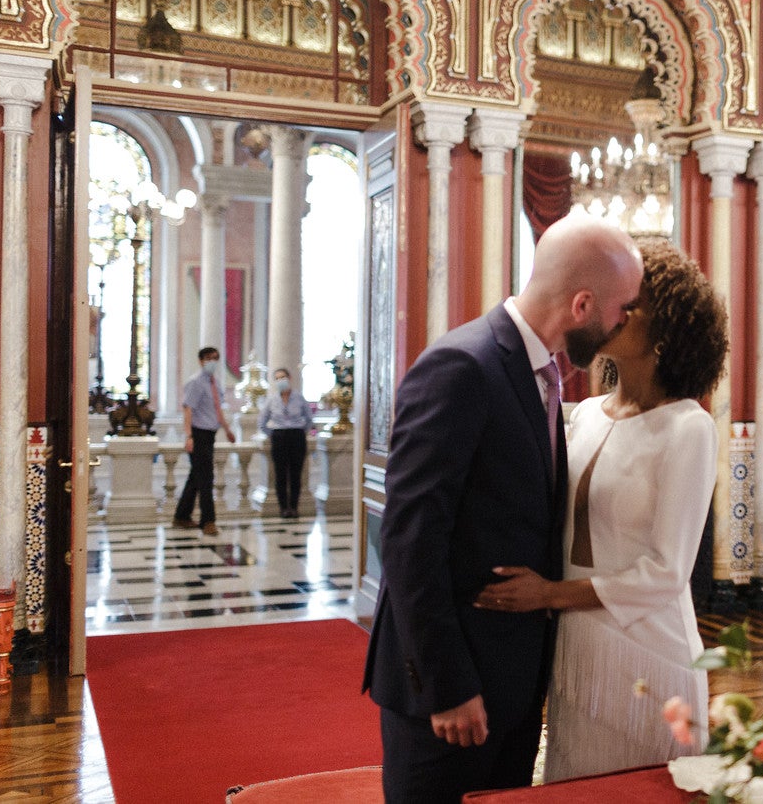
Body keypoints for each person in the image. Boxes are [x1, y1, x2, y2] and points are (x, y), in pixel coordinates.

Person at [361, 213, 643, 804]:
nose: (623, 327)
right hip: (451, 690)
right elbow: (410, 543)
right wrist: (448, 688)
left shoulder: (545, 374)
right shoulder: (463, 366)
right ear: (584, 304)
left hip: (510, 685)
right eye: (623, 310)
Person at [472, 238, 729, 781]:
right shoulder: (584, 415)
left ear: (668, 332)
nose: (617, 314)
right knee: (573, 782)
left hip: (651, 648)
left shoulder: (689, 427)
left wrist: (547, 594)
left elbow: (667, 573)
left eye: (634, 307)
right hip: (578, 641)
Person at [173, 346, 236, 537]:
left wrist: (227, 430)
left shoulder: (214, 383)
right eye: (209, 358)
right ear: (201, 361)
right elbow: (188, 410)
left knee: (196, 478)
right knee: (206, 478)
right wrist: (189, 436)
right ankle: (208, 521)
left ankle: (182, 515)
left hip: (210, 435)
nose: (213, 362)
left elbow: (217, 410)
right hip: (198, 434)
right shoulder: (195, 383)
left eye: (216, 358)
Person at [258, 367, 314, 519]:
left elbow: (309, 419)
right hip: (279, 436)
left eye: (283, 377)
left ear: (289, 378)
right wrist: (274, 434)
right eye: (277, 378)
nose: (280, 381)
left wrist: (301, 432)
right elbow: (262, 422)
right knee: (280, 474)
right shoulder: (271, 399)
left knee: (296, 474)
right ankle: (283, 507)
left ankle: (294, 507)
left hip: (297, 436)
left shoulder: (299, 397)